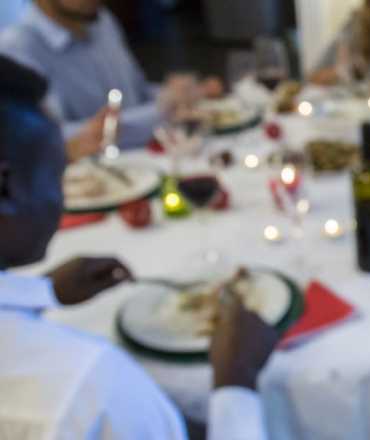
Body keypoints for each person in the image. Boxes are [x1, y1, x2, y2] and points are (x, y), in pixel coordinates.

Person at [0, 55, 275, 440]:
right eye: (58, 173)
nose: (61, 197)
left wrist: (41, 291)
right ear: (5, 188)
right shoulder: (87, 391)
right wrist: (236, 381)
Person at [0, 0, 221, 150]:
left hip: (150, 158)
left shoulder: (101, 20)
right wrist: (164, 109)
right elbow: (54, 138)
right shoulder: (16, 48)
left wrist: (183, 94)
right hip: (90, 191)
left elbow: (137, 92)